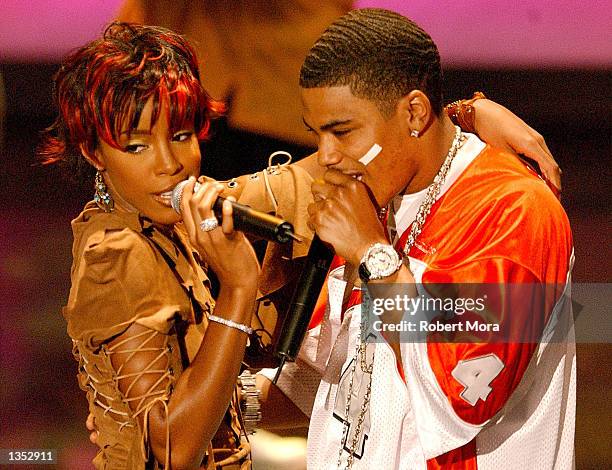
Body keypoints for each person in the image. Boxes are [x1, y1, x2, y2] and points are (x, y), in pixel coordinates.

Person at [250, 8, 574, 469]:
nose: (325, 156)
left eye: (341, 131)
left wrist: (373, 255)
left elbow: (465, 393)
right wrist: (224, 408)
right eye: (317, 133)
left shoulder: (519, 211)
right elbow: (336, 386)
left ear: (415, 112)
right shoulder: (378, 196)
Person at [40, 23, 262, 469]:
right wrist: (239, 288)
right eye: (137, 146)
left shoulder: (165, 225)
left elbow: (196, 401)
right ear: (94, 153)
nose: (169, 165)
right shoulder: (116, 254)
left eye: (180, 136)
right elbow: (174, 448)